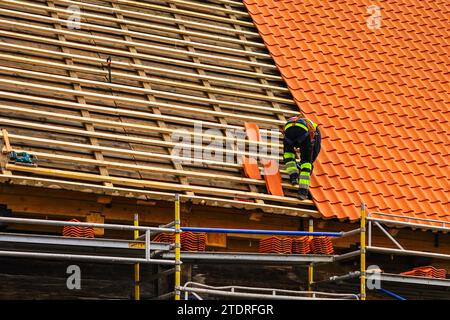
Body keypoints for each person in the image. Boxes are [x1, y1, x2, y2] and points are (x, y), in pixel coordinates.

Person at [283, 115, 321, 200]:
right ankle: (302, 192)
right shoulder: (314, 131)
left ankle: (293, 176)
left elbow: (287, 153)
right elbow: (311, 156)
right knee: (307, 162)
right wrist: (308, 162)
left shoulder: (292, 125)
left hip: (289, 130)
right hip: (303, 131)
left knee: (288, 154)